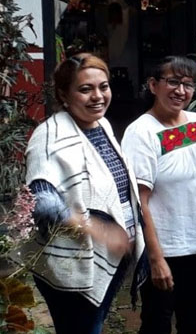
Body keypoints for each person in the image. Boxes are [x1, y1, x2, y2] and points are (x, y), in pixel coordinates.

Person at [20, 54, 145, 334]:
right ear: (64, 94)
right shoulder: (50, 135)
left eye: (104, 86)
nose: (98, 96)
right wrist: (98, 230)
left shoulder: (102, 126)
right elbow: (42, 202)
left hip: (111, 254)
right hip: (73, 265)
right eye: (86, 89)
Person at [121, 56, 196, 334]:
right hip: (167, 248)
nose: (181, 91)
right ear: (153, 85)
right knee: (157, 324)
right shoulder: (141, 132)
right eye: (173, 82)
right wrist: (155, 258)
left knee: (193, 323)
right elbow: (140, 202)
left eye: (188, 84)